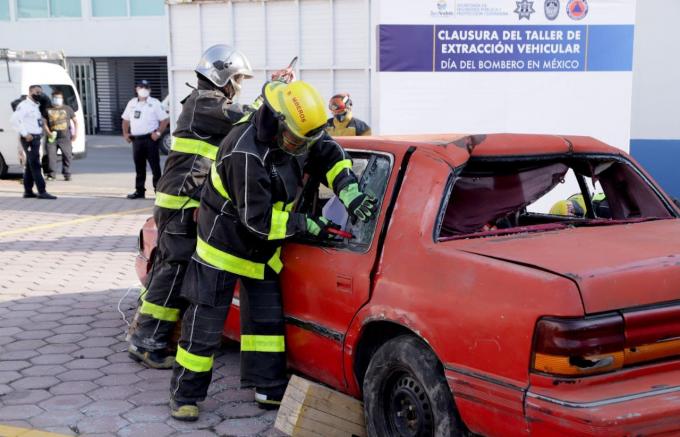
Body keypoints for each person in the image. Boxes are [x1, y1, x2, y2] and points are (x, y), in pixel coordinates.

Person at [167, 80, 377, 421]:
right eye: (296, 140)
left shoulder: (300, 131)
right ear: (278, 121)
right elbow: (259, 221)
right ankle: (185, 395)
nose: (300, 147)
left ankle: (267, 389)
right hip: (224, 244)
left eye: (304, 140)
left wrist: (347, 187)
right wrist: (305, 224)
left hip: (263, 250)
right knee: (203, 327)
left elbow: (327, 151)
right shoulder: (245, 152)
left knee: (265, 324)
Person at [128, 45, 261, 369]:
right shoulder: (206, 102)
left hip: (183, 199)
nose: (239, 85)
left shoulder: (203, 102)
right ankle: (148, 342)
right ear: (223, 75)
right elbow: (249, 120)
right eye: (238, 78)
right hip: (181, 200)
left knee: (171, 269)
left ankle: (149, 335)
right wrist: (273, 97)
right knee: (173, 272)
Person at [122, 80, 170, 199]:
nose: (143, 89)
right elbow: (126, 120)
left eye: (146, 87)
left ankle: (159, 192)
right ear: (136, 89)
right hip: (136, 140)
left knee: (155, 167)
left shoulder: (155, 103)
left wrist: (158, 133)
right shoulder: (132, 103)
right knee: (139, 167)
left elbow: (165, 120)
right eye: (141, 86)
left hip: (150, 139)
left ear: (150, 90)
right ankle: (139, 191)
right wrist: (125, 134)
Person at [9, 85, 57, 199]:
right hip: (29, 139)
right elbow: (14, 120)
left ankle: (28, 191)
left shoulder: (35, 106)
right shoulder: (24, 106)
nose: (39, 94)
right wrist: (25, 134)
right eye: (37, 92)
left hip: (35, 138)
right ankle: (42, 191)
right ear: (30, 92)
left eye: (40, 92)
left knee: (30, 165)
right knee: (35, 165)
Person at [44, 90, 77, 181]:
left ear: (62, 99)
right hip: (52, 138)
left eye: (59, 98)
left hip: (65, 137)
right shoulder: (47, 109)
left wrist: (75, 133)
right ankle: (51, 174)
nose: (57, 100)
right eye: (55, 98)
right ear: (52, 98)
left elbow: (75, 121)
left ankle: (67, 173)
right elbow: (44, 123)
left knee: (67, 156)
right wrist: (49, 133)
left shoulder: (67, 108)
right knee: (51, 156)